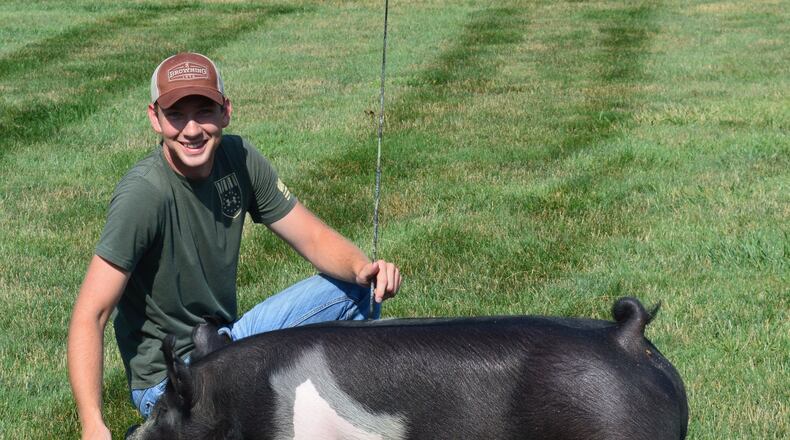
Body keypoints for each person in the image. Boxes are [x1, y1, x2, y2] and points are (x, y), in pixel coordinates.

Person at [67, 52, 401, 439]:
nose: (192, 129)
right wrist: (93, 423)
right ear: (154, 118)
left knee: (359, 292)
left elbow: (312, 236)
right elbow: (90, 314)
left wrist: (364, 270)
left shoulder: (238, 158)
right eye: (176, 115)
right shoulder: (143, 195)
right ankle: (158, 427)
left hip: (228, 341)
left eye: (204, 111)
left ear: (226, 111)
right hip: (171, 376)